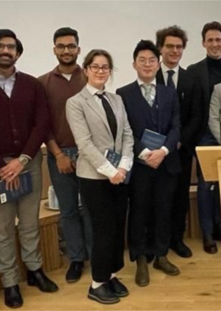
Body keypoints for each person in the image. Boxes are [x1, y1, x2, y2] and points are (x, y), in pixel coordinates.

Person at [0, 29, 57, 309]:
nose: (6, 51)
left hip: (29, 163)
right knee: (4, 227)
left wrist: (22, 160)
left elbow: (41, 124)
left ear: (18, 52)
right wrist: (1, 164)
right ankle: (9, 281)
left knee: (30, 222)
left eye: (11, 47)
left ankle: (34, 270)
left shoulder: (32, 85)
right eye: (0, 46)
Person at [66, 49, 134, 305]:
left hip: (119, 174)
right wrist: (110, 171)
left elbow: (127, 134)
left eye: (105, 67)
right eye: (95, 66)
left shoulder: (116, 100)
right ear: (85, 70)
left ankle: (111, 275)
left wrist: (124, 166)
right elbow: (84, 144)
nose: (100, 71)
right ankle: (97, 283)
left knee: (117, 228)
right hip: (94, 177)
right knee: (104, 230)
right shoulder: (75, 102)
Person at [117, 40, 183, 287]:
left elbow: (177, 126)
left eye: (152, 60)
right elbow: (125, 131)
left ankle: (161, 255)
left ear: (159, 64)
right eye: (142, 60)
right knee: (139, 212)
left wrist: (163, 151)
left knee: (164, 210)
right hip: (139, 165)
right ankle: (141, 259)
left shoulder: (169, 92)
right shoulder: (123, 94)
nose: (147, 64)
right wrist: (146, 154)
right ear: (134, 64)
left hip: (166, 163)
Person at [38, 27, 92, 284]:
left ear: (78, 49)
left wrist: (88, 153)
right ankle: (77, 259)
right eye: (61, 46)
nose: (67, 50)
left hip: (90, 155)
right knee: (68, 210)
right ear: (54, 50)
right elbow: (42, 124)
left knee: (92, 208)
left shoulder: (91, 77)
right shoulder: (43, 83)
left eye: (71, 46)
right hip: (59, 155)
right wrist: (58, 154)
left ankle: (96, 255)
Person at [187, 21, 221, 255]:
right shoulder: (194, 71)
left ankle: (220, 226)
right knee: (206, 185)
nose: (215, 44)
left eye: (218, 40)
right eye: (210, 40)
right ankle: (207, 232)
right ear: (203, 43)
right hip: (204, 136)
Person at [156, 25, 201, 259]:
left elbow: (196, 115)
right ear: (160, 48)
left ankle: (177, 239)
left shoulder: (191, 79)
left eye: (179, 47)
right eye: (170, 46)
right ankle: (157, 243)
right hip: (153, 152)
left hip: (181, 151)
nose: (175, 51)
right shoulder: (150, 77)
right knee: (156, 198)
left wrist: (180, 141)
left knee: (179, 197)